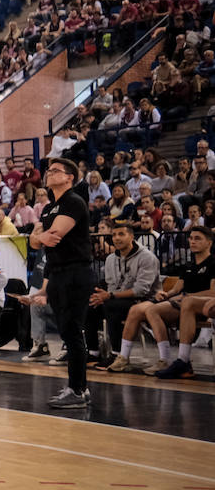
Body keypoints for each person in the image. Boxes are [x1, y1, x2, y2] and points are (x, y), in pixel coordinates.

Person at [29, 158, 95, 408]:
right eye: (49, 170)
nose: (49, 173)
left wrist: (39, 236)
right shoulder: (48, 208)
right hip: (56, 273)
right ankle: (80, 387)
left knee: (72, 332)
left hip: (75, 272)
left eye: (56, 171)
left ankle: (77, 390)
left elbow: (52, 237)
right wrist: (38, 237)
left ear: (70, 177)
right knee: (68, 331)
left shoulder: (73, 202)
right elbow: (35, 242)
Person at [110, 225, 215, 375]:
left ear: (209, 243)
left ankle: (164, 360)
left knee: (152, 310)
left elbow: (213, 292)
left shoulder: (212, 263)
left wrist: (188, 296)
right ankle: (123, 358)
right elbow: (177, 289)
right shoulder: (189, 265)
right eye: (190, 238)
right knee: (135, 310)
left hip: (199, 304)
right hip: (180, 301)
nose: (192, 241)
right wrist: (164, 294)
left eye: (197, 238)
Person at [87, 223, 158, 370]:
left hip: (145, 301)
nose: (116, 238)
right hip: (118, 298)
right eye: (113, 235)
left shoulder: (147, 257)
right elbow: (111, 285)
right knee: (91, 304)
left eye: (121, 234)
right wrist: (104, 296)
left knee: (111, 306)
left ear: (131, 237)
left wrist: (110, 296)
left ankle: (117, 354)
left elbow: (141, 290)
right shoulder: (110, 259)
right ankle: (93, 352)